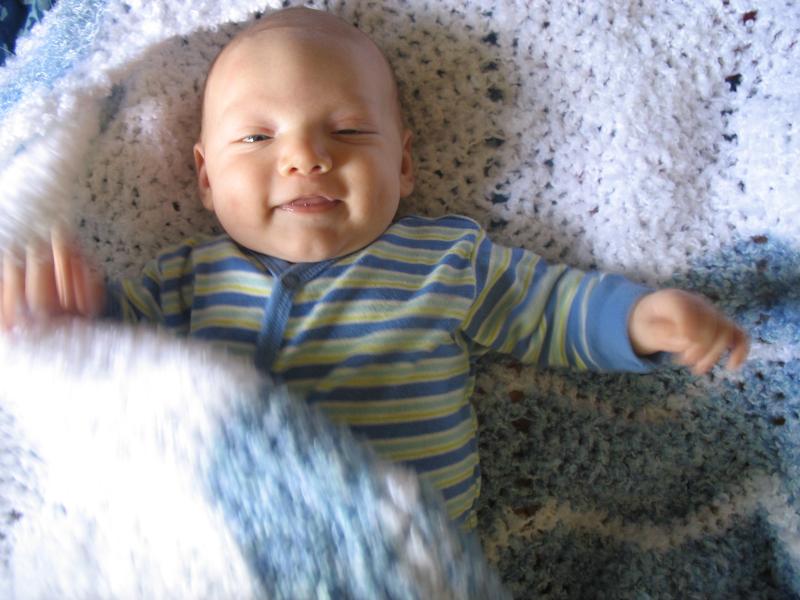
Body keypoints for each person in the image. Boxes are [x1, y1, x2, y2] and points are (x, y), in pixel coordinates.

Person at [0, 7, 749, 529]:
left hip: (405, 555)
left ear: (405, 163)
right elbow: (118, 367)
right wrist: (72, 317)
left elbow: (548, 307)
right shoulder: (181, 283)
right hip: (224, 540)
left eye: (350, 130)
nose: (305, 156)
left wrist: (638, 318)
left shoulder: (444, 261)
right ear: (203, 176)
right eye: (257, 138)